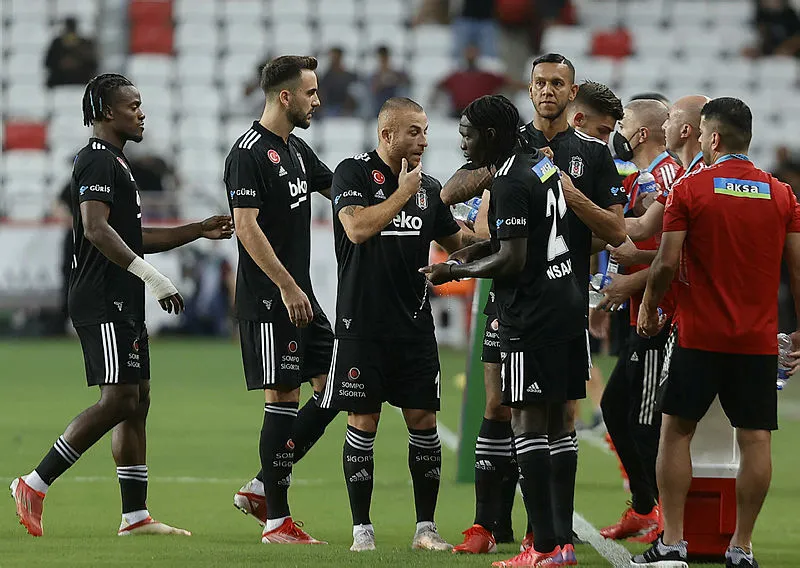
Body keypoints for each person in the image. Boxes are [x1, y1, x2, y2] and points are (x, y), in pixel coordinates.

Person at [10, 73, 233, 537]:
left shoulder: (116, 162)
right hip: (101, 298)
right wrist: (153, 278)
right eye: (133, 106)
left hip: (120, 298)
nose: (142, 113)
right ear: (108, 112)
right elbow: (96, 229)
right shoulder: (95, 159)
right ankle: (34, 483)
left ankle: (135, 517)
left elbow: (132, 237)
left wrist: (196, 230)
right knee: (119, 399)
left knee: (137, 400)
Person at [443, 58, 627, 556]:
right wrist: (495, 175)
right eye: (540, 83)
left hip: (548, 297)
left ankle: (547, 535)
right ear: (529, 90)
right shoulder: (509, 143)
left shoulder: (590, 153)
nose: (547, 90)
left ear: (572, 93)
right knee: (498, 404)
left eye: (557, 84)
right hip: (513, 297)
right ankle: (489, 524)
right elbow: (460, 199)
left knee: (556, 415)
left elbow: (615, 231)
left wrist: (564, 208)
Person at [633, 97, 800, 568]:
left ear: (713, 137)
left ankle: (673, 541)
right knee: (756, 439)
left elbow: (666, 262)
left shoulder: (691, 189)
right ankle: (741, 547)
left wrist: (648, 306)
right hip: (757, 340)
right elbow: (798, 270)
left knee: (676, 432)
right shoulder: (781, 194)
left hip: (699, 336)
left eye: (705, 134)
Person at [422, 94, 588, 567]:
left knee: (526, 423)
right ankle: (561, 542)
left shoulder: (511, 179)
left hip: (532, 312)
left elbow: (513, 259)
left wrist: (454, 272)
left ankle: (543, 548)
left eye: (468, 135)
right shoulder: (541, 165)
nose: (463, 144)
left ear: (490, 135)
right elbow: (522, 236)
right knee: (559, 425)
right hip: (566, 299)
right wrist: (470, 253)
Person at [320, 97, 479, 553]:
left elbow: (459, 243)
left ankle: (426, 528)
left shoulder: (428, 188)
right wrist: (402, 194)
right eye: (413, 131)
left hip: (413, 328)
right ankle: (362, 530)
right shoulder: (352, 173)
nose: (423, 140)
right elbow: (356, 229)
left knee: (423, 420)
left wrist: (500, 230)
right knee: (363, 420)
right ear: (387, 134)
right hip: (361, 326)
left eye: (425, 130)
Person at [224, 56, 340, 544]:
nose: (318, 101)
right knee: (283, 398)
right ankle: (277, 521)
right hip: (271, 300)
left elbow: (338, 190)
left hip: (300, 296)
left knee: (340, 383)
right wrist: (287, 286)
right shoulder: (247, 153)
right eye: (311, 93)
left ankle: (260, 487)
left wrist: (396, 197)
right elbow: (246, 227)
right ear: (285, 96)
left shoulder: (296, 149)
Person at [590, 99, 683, 544]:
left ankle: (663, 519)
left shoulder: (666, 177)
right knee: (615, 408)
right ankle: (645, 507)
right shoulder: (644, 177)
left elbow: (675, 255)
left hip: (660, 315)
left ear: (641, 133)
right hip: (638, 311)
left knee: (645, 419)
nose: (619, 131)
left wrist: (630, 284)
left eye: (624, 123)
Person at [622, 95, 708, 244]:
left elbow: (647, 231)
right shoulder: (683, 174)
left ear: (685, 130)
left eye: (669, 119)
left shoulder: (677, 176)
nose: (663, 126)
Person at [432, 44, 525, 118]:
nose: (470, 55)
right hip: (459, 113)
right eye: (468, 52)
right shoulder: (455, 76)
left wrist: (529, 87)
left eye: (473, 52)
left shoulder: (488, 76)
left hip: (482, 114)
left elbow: (510, 83)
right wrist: (433, 104)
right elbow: (438, 86)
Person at [44, 17, 98, 88]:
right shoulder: (57, 43)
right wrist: (62, 63)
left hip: (81, 81)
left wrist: (78, 62)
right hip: (60, 80)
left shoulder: (85, 43)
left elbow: (93, 64)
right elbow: (48, 63)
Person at [318, 47, 359, 118]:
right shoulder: (326, 76)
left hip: (346, 108)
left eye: (335, 58)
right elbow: (323, 93)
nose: (333, 60)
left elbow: (353, 94)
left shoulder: (349, 76)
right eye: (332, 58)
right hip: (330, 108)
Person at [369, 46, 409, 115]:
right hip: (379, 106)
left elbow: (405, 82)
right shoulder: (373, 75)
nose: (383, 61)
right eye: (381, 59)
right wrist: (381, 82)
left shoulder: (397, 73)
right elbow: (372, 89)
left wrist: (393, 79)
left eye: (385, 58)